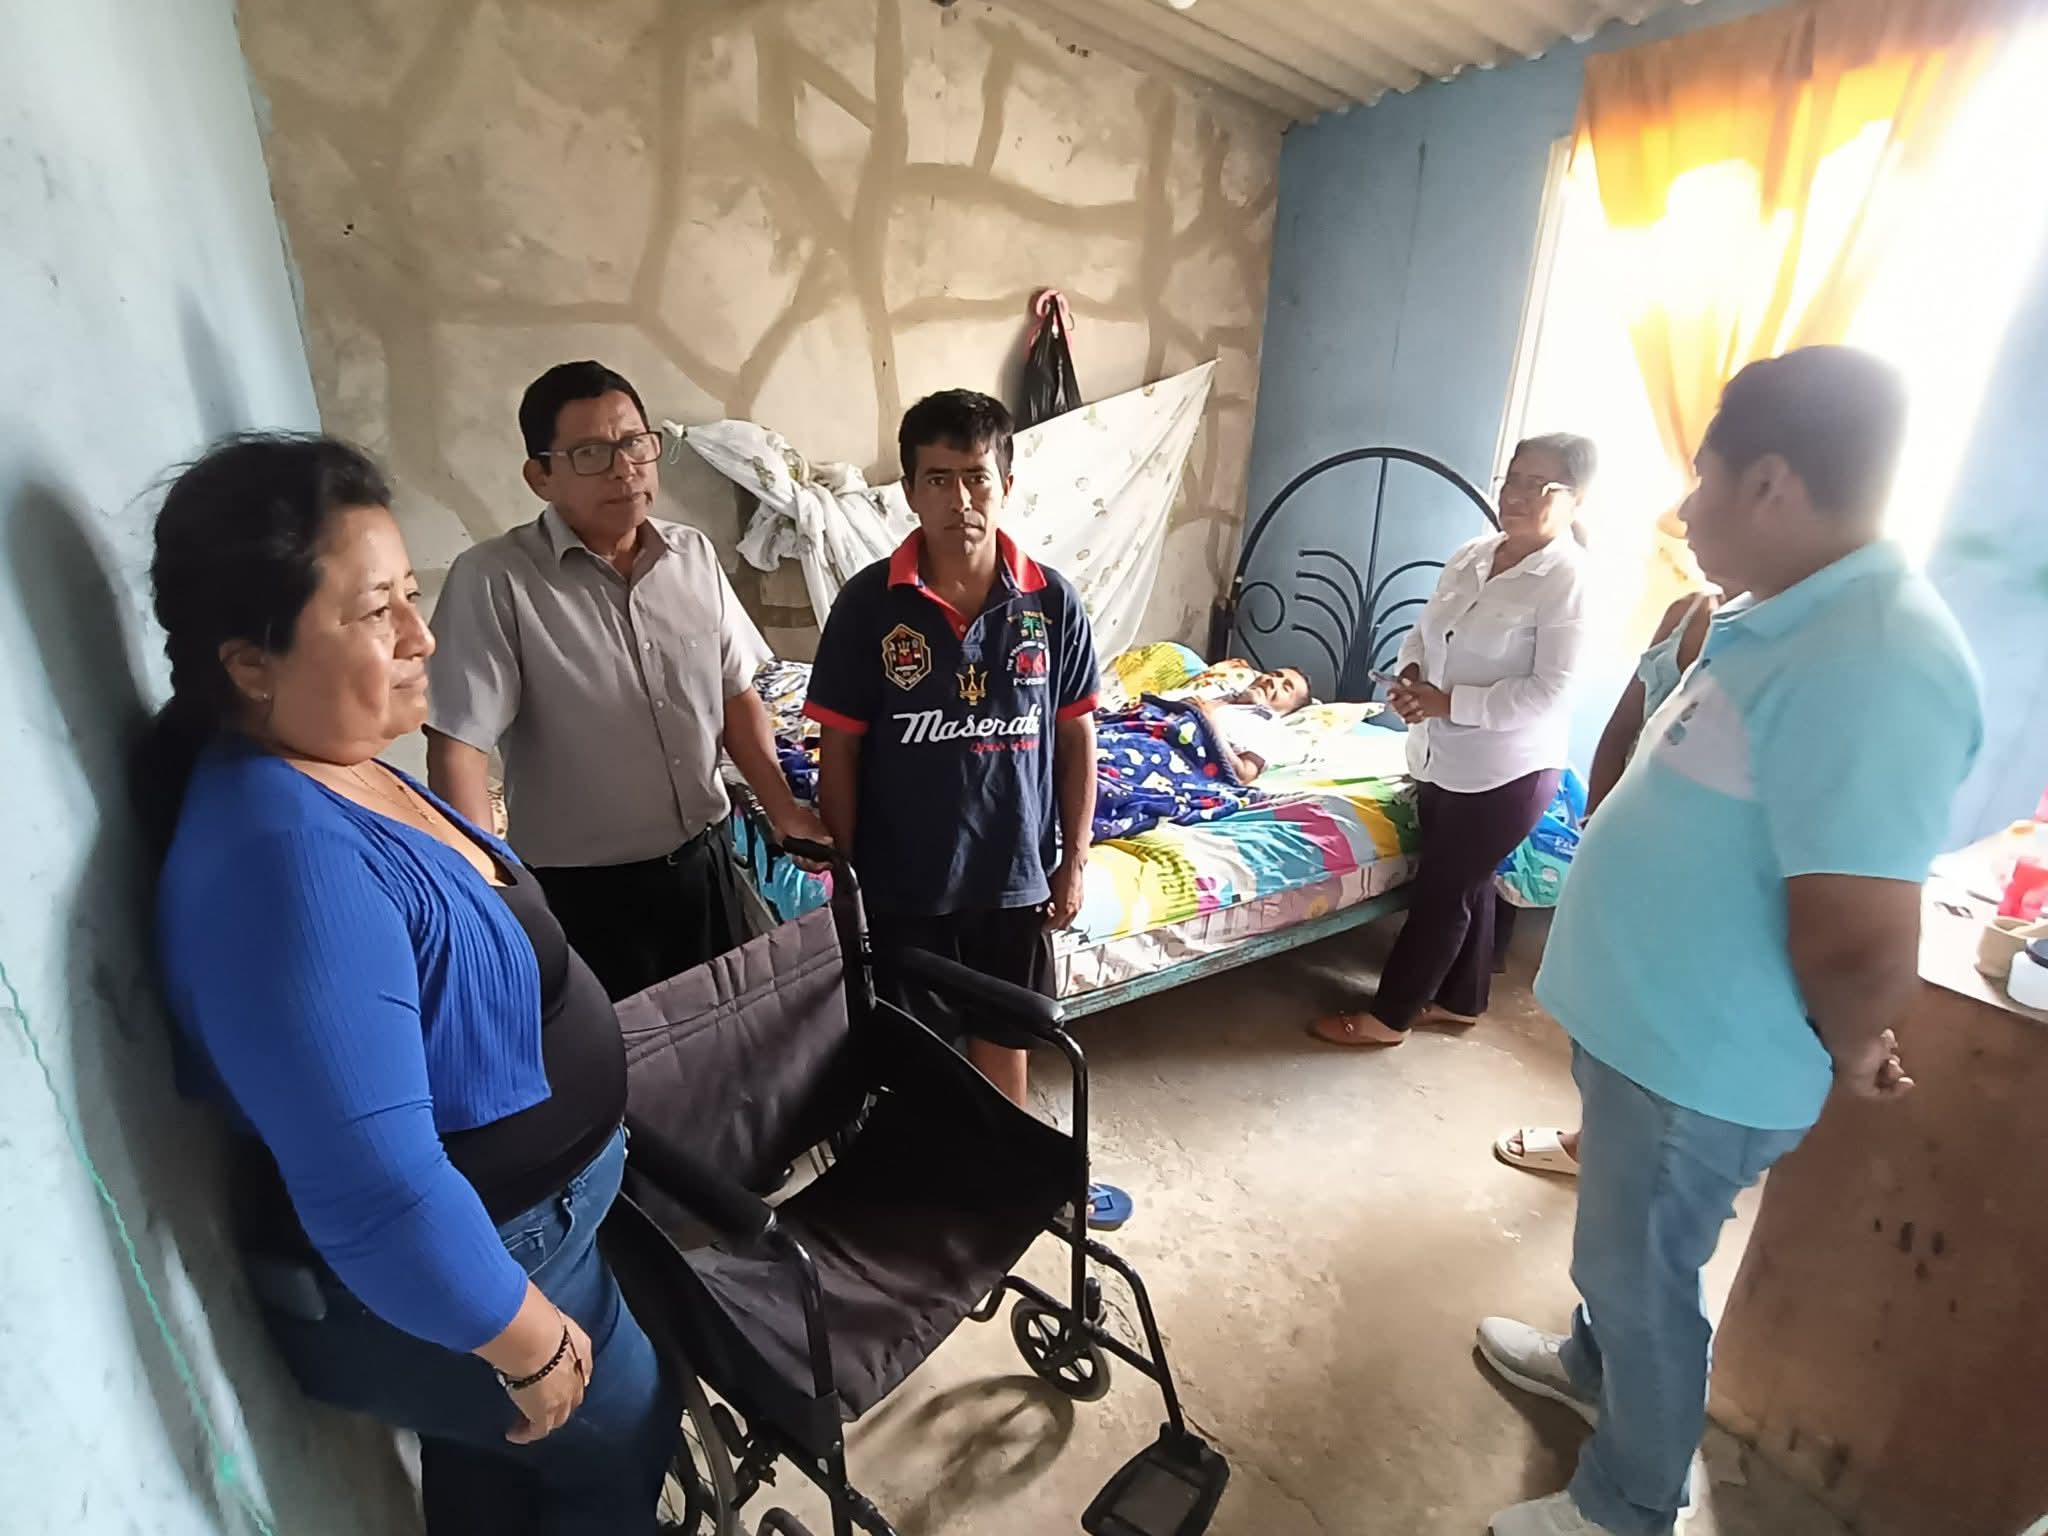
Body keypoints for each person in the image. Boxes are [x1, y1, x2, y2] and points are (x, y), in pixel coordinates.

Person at [1479, 347, 1981, 1536]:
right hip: (1651, 1037)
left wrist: (1855, 1045)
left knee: (1642, 1280)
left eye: (1698, 479)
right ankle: (1593, 1370)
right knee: (1622, 1260)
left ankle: (1627, 1501)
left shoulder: (1875, 660)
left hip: (1698, 1063)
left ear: (1767, 483)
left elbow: (1861, 937)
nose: (1682, 509)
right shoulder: (1784, 619)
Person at [139, 436, 679, 1534]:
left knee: (507, 1476)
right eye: (375, 612)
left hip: (512, 1243)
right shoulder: (284, 865)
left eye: (412, 597)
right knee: (622, 1436)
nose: (419, 637)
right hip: (476, 1267)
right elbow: (375, 1190)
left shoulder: (330, 762)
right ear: (250, 662)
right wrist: (526, 1343)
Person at [425, 360, 829, 1001]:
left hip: (704, 867)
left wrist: (783, 810)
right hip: (584, 897)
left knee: (728, 1039)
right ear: (540, 476)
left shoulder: (693, 556)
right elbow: (458, 747)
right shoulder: (497, 580)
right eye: (591, 453)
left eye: (635, 443)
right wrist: (486, 888)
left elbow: (735, 694)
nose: (624, 468)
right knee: (620, 1055)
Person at [805, 389, 1098, 1109]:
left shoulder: (1051, 602)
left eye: (976, 477)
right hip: (905, 882)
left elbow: (1075, 735)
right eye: (938, 479)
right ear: (910, 492)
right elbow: (839, 749)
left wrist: (1074, 860)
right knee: (919, 1071)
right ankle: (934, 1173)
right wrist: (845, 878)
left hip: (1013, 877)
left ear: (1006, 484)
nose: (960, 499)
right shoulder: (868, 606)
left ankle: (1001, 1169)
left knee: (1006, 1049)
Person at [1311, 433, 1594, 1046]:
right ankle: (1462, 1000)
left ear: (1576, 498)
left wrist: (1450, 703)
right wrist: (1412, 677)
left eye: (1538, 485)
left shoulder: (1567, 579)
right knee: (1469, 879)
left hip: (1506, 768)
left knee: (1444, 892)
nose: (1516, 496)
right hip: (1440, 752)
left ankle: (1389, 1019)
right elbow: (1424, 631)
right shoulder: (1472, 554)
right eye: (1512, 479)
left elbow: (1549, 691)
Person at [1493, 581, 1723, 1177]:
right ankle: (1600, 1138)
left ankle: (1626, 1149)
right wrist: (1596, 822)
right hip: (1634, 834)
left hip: (1706, 857)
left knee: (1672, 1007)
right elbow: (1625, 724)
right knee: (1615, 998)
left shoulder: (1789, 633)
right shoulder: (1687, 610)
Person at [1192, 666, 1312, 784]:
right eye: (1273, 675)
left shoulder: (1269, 728)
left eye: (1286, 688)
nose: (1273, 680)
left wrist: (1209, 722)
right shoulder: (1221, 695)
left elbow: (1241, 776)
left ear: (1288, 710)